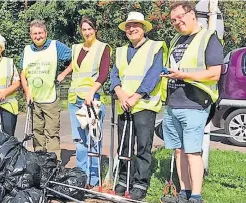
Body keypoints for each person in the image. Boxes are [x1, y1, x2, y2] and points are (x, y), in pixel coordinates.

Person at [161, 2, 223, 203]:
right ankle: (184, 193)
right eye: (173, 20)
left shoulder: (208, 38)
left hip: (195, 104)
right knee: (179, 151)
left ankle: (196, 197)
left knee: (193, 151)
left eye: (180, 17)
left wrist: (184, 75)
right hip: (173, 103)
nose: (176, 22)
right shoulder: (176, 39)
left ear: (192, 14)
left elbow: (215, 73)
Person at [109, 12, 167, 200]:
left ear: (144, 28)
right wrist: (119, 92)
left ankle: (140, 182)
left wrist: (136, 96)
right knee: (124, 147)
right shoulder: (120, 51)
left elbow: (154, 74)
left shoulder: (155, 47)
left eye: (136, 25)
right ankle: (123, 180)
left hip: (144, 105)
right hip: (124, 105)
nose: (132, 29)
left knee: (143, 147)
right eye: (128, 26)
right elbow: (114, 75)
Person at [57, 16, 110, 187]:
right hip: (75, 99)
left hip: (91, 100)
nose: (87, 32)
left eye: (90, 29)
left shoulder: (102, 48)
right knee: (79, 139)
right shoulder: (77, 48)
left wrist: (91, 92)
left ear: (95, 29)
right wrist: (63, 74)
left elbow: (103, 74)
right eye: (84, 29)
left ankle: (93, 178)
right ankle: (81, 174)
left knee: (93, 138)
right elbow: (75, 64)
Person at [20, 19, 72, 160]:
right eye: (35, 33)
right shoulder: (26, 51)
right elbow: (23, 74)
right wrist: (27, 92)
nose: (38, 36)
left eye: (40, 33)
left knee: (52, 132)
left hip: (51, 97)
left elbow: (76, 58)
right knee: (36, 131)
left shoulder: (55, 46)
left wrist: (63, 74)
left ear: (46, 33)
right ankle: (40, 160)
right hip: (34, 99)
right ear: (31, 35)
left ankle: (54, 162)